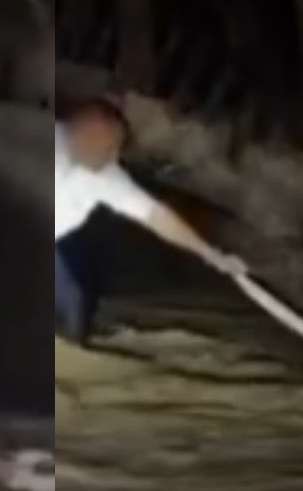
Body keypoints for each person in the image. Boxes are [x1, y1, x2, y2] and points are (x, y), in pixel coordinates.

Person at [55, 97, 244, 339]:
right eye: (109, 146)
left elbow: (155, 215)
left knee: (73, 302)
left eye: (116, 148)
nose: (114, 156)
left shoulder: (106, 176)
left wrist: (211, 254)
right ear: (83, 134)